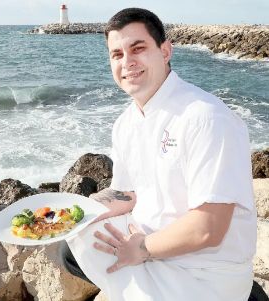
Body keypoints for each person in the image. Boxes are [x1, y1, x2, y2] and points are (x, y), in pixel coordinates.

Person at [64, 7, 257, 301]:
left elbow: (209, 228)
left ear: (165, 51)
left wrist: (140, 248)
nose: (127, 62)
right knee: (69, 248)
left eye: (137, 48)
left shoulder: (206, 118)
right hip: (149, 240)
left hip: (205, 271)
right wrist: (72, 211)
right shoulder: (126, 123)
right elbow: (126, 194)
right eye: (117, 54)